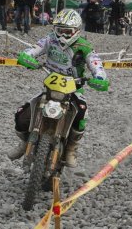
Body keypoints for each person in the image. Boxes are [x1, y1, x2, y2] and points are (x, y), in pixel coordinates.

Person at [8, 9, 109, 167]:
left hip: (74, 89)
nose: (62, 35)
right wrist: (26, 56)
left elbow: (96, 63)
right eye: (59, 30)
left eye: (66, 31)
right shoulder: (49, 40)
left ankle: (71, 148)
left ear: (76, 31)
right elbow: (34, 49)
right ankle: (24, 142)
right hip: (49, 87)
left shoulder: (85, 46)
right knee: (22, 114)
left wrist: (100, 78)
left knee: (82, 112)